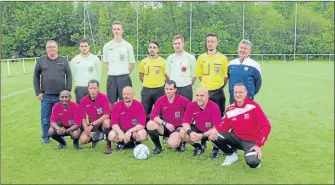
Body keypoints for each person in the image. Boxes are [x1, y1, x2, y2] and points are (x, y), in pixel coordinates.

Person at [209, 83, 271, 168]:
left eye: (240, 92)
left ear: (246, 93)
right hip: (237, 138)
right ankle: (231, 155)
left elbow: (266, 126)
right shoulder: (230, 109)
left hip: (251, 142)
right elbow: (225, 126)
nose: (238, 95)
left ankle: (254, 157)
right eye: (236, 92)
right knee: (214, 135)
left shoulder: (253, 107)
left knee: (253, 163)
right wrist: (215, 129)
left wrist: (258, 145)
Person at [196, 33, 229, 158]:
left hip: (218, 92)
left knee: (218, 120)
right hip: (204, 93)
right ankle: (203, 142)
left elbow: (225, 77)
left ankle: (216, 146)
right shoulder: (201, 58)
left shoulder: (223, 59)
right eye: (208, 41)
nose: (210, 43)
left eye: (212, 41)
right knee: (202, 118)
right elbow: (199, 75)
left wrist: (217, 87)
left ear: (217, 43)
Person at [33, 40, 72, 144]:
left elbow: (69, 76)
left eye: (53, 47)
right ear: (46, 49)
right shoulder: (41, 60)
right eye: (49, 47)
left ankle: (60, 138)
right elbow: (36, 76)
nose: (51, 49)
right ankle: (45, 138)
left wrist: (67, 92)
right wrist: (38, 92)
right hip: (46, 96)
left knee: (60, 119)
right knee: (45, 119)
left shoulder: (63, 60)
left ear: (57, 48)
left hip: (61, 97)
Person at [146, 80, 191, 154]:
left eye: (171, 89)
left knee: (173, 144)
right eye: (166, 89)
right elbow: (152, 116)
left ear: (175, 90)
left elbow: (192, 108)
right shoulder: (161, 100)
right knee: (150, 124)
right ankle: (158, 147)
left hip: (178, 128)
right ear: (164, 89)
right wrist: (165, 123)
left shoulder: (181, 99)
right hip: (166, 127)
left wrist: (187, 123)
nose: (168, 91)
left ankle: (182, 142)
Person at [103, 21, 136, 110]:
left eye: (118, 29)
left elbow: (132, 63)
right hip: (112, 77)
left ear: (122, 31)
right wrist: (113, 71)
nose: (116, 31)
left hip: (124, 77)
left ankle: (126, 121)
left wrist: (124, 73)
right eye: (114, 29)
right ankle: (112, 120)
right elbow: (105, 62)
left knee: (126, 100)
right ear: (112, 30)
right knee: (111, 102)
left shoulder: (128, 46)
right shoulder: (107, 46)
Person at [180, 87, 221, 156]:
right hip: (199, 128)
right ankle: (198, 147)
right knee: (182, 132)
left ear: (208, 96)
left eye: (202, 95)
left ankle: (216, 149)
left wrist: (202, 136)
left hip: (209, 131)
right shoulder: (191, 105)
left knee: (214, 134)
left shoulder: (214, 107)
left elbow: (216, 127)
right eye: (197, 95)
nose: (199, 98)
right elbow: (185, 122)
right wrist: (190, 132)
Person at [108, 86, 147, 152]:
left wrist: (130, 131)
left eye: (128, 94)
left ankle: (136, 143)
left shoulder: (139, 105)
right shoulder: (117, 105)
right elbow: (114, 123)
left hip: (134, 131)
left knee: (142, 134)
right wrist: (120, 132)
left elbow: (142, 124)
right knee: (111, 135)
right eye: (124, 94)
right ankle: (121, 143)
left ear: (133, 94)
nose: (126, 96)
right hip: (122, 130)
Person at [79, 80, 112, 155]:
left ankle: (108, 144)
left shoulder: (104, 97)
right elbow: (83, 118)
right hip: (92, 126)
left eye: (94, 88)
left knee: (107, 122)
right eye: (90, 88)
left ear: (98, 88)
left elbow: (106, 115)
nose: (92, 90)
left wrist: (92, 124)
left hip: (101, 123)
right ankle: (96, 138)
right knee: (82, 140)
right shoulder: (83, 101)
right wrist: (86, 129)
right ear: (88, 89)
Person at [139, 40, 167, 122]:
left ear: (158, 50)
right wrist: (149, 83)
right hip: (146, 90)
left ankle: (164, 132)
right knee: (144, 112)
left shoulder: (163, 62)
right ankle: (144, 132)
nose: (152, 49)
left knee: (162, 112)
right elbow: (141, 76)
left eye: (154, 48)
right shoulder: (143, 62)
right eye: (150, 47)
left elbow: (167, 77)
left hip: (159, 90)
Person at [228, 39, 262, 105]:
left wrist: (250, 93)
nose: (242, 50)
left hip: (248, 100)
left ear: (249, 51)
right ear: (238, 49)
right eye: (241, 48)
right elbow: (229, 79)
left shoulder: (254, 65)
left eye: (245, 48)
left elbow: (258, 83)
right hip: (233, 99)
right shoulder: (231, 64)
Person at [166, 35, 196, 102]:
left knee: (187, 110)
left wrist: (187, 85)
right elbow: (168, 75)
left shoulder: (190, 58)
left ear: (183, 44)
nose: (177, 45)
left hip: (186, 89)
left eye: (179, 43)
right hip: (173, 89)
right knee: (173, 110)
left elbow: (194, 76)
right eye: (175, 43)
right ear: (173, 45)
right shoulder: (169, 58)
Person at [70, 39, 101, 104]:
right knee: (80, 109)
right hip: (80, 88)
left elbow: (99, 74)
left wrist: (96, 87)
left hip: (92, 88)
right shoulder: (75, 60)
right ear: (79, 47)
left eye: (85, 46)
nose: (84, 48)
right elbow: (72, 74)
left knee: (93, 108)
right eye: (82, 46)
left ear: (89, 47)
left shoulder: (95, 59)